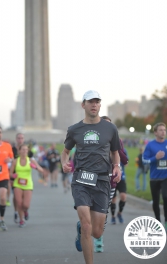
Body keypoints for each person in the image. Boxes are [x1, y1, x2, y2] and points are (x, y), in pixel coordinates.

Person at [61, 90, 121, 264]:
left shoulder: (110, 128)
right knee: (87, 225)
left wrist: (116, 167)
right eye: (90, 102)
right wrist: (64, 163)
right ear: (83, 105)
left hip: (102, 181)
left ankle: (81, 229)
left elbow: (115, 152)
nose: (94, 105)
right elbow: (65, 152)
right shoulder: (74, 129)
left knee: (96, 232)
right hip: (81, 180)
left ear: (100, 105)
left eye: (97, 101)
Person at [93, 116, 129, 252]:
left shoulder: (117, 141)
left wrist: (114, 148)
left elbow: (124, 160)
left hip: (111, 180)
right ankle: (91, 230)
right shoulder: (93, 139)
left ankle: (99, 237)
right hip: (95, 179)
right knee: (93, 210)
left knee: (103, 211)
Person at [143, 122, 167, 233]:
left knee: (165, 196)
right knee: (155, 201)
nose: (163, 132)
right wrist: (155, 157)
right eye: (160, 130)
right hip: (154, 177)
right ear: (155, 132)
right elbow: (144, 160)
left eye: (164, 130)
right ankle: (158, 222)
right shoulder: (150, 145)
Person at [10, 144, 44, 227]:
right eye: (23, 149)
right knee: (19, 203)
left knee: (26, 205)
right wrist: (13, 176)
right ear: (19, 151)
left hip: (28, 184)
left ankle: (25, 211)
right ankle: (21, 220)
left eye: (26, 150)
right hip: (17, 184)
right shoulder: (15, 161)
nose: (25, 151)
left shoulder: (31, 160)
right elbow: (10, 173)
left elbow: (41, 170)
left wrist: (35, 167)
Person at [11, 133, 33, 223]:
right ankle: (16, 212)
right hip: (14, 174)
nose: (20, 140)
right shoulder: (12, 149)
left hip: (25, 176)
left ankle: (24, 210)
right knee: (16, 197)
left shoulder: (28, 151)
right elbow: (8, 158)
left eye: (22, 138)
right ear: (16, 139)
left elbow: (32, 161)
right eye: (18, 138)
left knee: (24, 199)